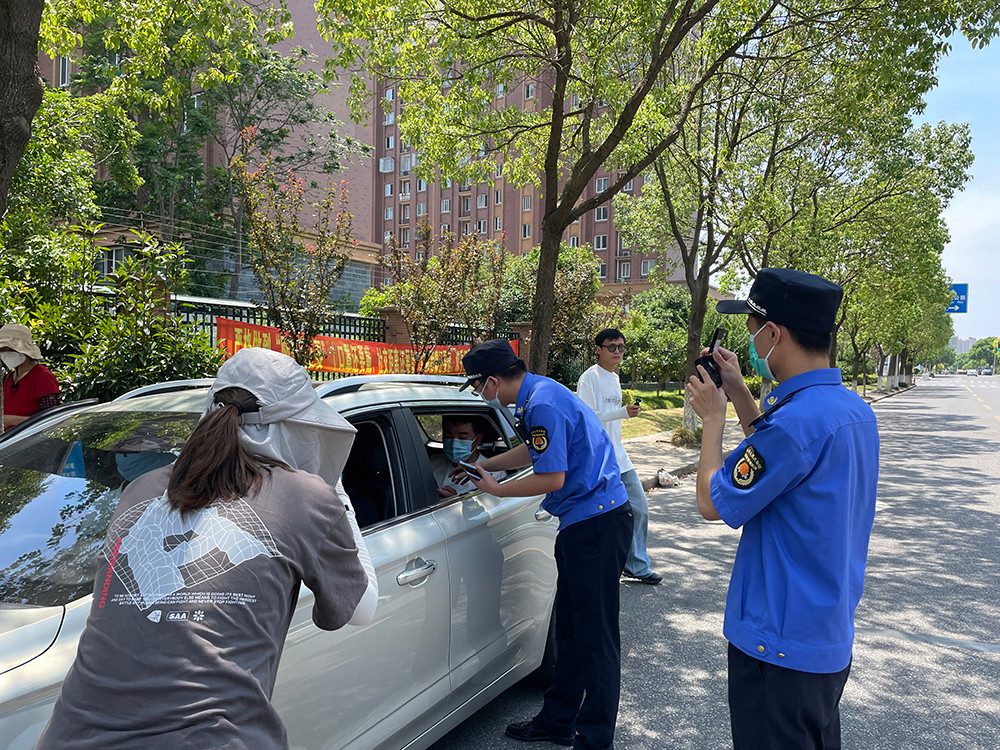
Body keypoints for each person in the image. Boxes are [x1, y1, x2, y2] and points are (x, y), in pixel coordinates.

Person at [37, 347, 378, 750]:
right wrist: (334, 489)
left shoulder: (140, 488)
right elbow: (361, 610)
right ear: (298, 427)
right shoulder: (305, 496)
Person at [686, 268, 879, 749]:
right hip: (822, 636)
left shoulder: (794, 425)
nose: (751, 344)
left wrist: (713, 419)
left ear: (774, 334)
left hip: (776, 645)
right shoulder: (851, 410)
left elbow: (711, 501)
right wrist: (739, 392)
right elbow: (779, 460)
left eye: (753, 332)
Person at [456, 338, 632, 750]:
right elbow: (537, 451)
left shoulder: (542, 404)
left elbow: (552, 477)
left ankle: (595, 740)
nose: (480, 394)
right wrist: (486, 465)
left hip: (597, 525)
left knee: (596, 640)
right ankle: (557, 721)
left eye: (477, 386)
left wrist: (497, 490)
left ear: (492, 381)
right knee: (570, 632)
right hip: (584, 523)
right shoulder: (539, 394)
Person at [577, 328, 662, 585]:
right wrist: (622, 412)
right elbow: (588, 418)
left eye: (621, 347)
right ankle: (603, 567)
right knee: (603, 517)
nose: (617, 352)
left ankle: (636, 564)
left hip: (619, 457)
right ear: (598, 349)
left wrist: (623, 413)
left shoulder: (614, 377)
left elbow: (611, 419)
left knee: (639, 508)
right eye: (611, 347)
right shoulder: (589, 378)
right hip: (598, 459)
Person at [0, 323, 60, 431]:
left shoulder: (42, 376)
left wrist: (12, 420)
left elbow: (53, 419)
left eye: (10, 349)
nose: (5, 353)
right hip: (9, 439)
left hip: (32, 439)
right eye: (2, 350)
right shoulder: (9, 377)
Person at [430, 413, 505, 498]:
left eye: (462, 438)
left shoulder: (495, 474)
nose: (454, 443)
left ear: (478, 439)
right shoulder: (434, 462)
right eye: (448, 436)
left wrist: (455, 500)